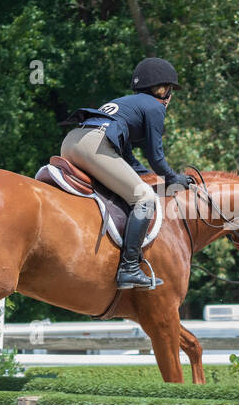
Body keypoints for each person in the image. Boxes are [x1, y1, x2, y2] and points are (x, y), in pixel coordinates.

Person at [61, 57, 195, 290]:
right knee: (144, 198)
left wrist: (147, 177)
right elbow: (156, 156)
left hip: (72, 141)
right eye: (171, 90)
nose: (171, 96)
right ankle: (129, 268)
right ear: (162, 90)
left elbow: (127, 157)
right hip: (95, 144)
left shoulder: (127, 103)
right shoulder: (155, 107)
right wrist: (174, 178)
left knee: (126, 190)